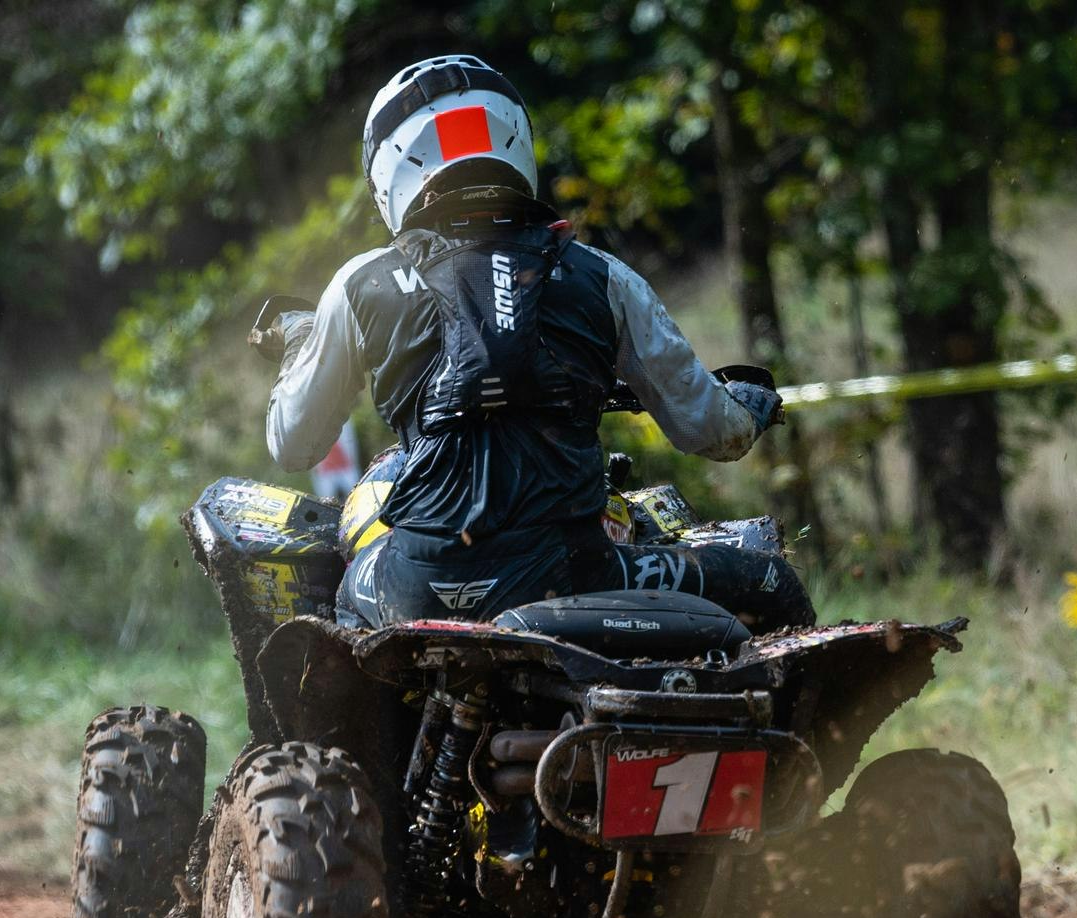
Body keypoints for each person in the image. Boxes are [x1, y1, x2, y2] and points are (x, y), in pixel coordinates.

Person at [260, 54, 813, 633]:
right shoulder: (601, 275)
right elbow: (711, 432)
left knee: (333, 600)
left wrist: (301, 344)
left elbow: (293, 445)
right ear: (514, 140)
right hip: (574, 576)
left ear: (388, 171)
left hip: (415, 585)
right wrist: (749, 407)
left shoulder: (360, 283)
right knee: (773, 583)